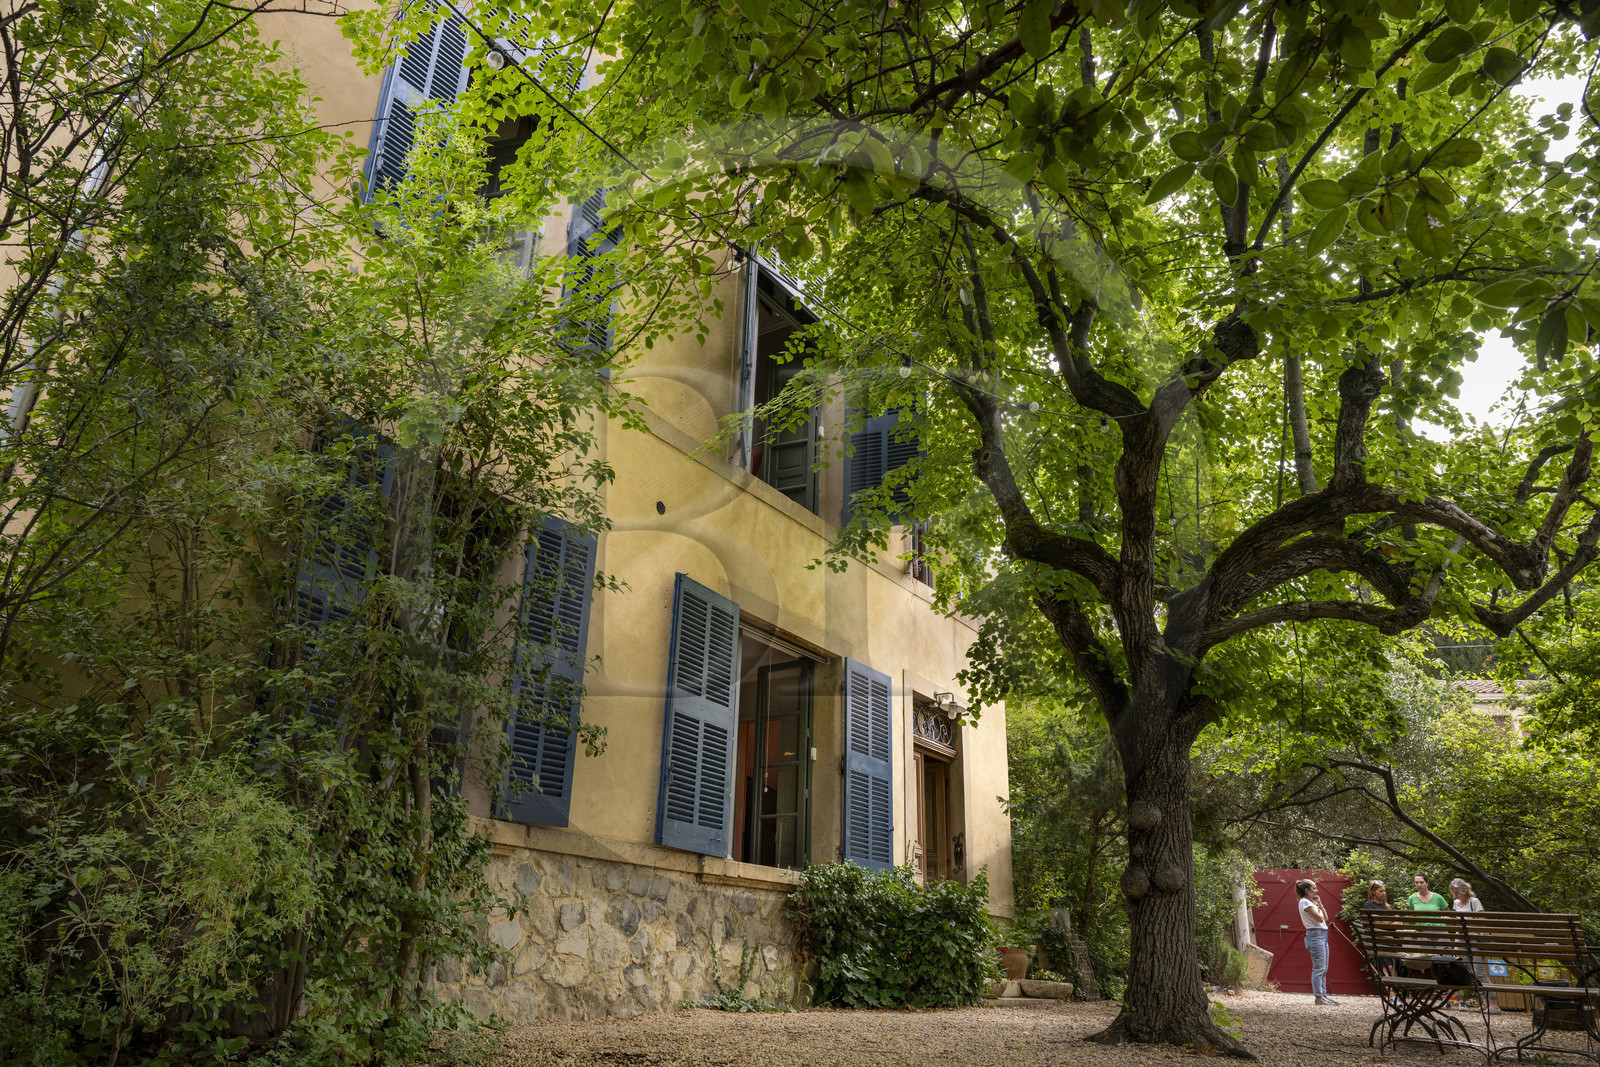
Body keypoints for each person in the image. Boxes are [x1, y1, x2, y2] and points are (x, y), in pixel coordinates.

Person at [1450, 878, 1500, 1014]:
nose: (1456, 896)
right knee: (1473, 972)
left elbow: (1481, 922)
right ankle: (1484, 1004)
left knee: (1479, 972)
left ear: (1465, 891)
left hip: (1474, 941)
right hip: (1460, 941)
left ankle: (1494, 1003)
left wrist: (1464, 925)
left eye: (1457, 892)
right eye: (1453, 893)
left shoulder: (1474, 902)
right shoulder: (1455, 903)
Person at [1297, 878, 1337, 1006]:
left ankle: (1323, 995)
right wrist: (1318, 909)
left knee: (1323, 968)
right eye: (1314, 888)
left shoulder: (1311, 903)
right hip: (1315, 935)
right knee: (1319, 968)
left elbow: (1326, 917)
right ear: (1307, 890)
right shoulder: (1304, 902)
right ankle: (1319, 997)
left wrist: (1320, 904)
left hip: (1322, 935)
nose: (1316, 890)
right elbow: (1320, 918)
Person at [1362, 880, 1400, 981]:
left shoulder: (1389, 907)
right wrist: (1392, 921)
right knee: (1388, 967)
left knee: (1394, 966)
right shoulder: (1369, 905)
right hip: (1380, 941)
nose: (1383, 893)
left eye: (1384, 891)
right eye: (1380, 891)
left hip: (1393, 940)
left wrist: (1385, 921)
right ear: (1373, 892)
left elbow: (1400, 922)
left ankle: (1395, 995)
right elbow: (1377, 923)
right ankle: (1391, 995)